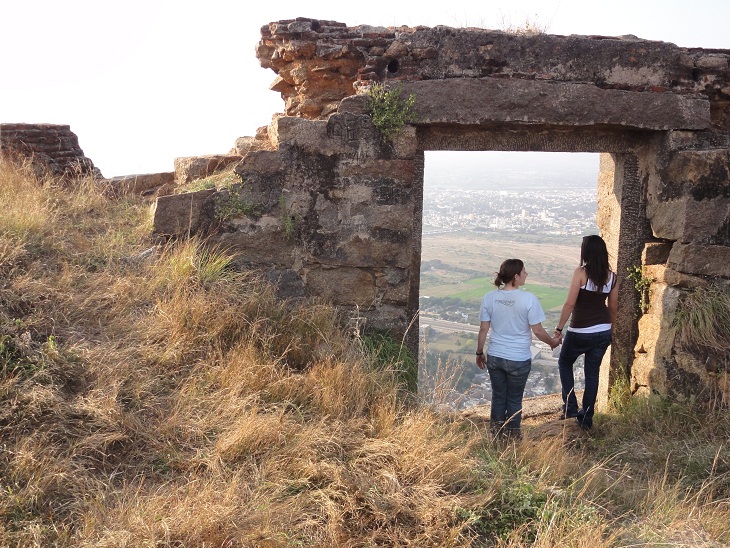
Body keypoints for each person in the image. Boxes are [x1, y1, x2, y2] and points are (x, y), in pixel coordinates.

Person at [476, 259, 561, 439]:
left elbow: (483, 329)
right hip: (518, 358)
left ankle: (496, 435)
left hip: (495, 355)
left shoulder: (489, 297)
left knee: (498, 397)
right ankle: (513, 438)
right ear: (516, 276)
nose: (526, 274)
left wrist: (479, 352)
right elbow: (538, 330)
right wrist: (552, 343)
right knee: (514, 399)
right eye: (524, 271)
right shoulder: (528, 299)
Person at [554, 235, 618, 430]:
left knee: (565, 362)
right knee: (592, 373)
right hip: (603, 330)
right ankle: (586, 418)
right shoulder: (612, 277)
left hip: (580, 330)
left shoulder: (581, 273)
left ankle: (570, 407)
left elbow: (570, 303)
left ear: (586, 252)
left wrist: (559, 328)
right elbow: (613, 307)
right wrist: (612, 330)